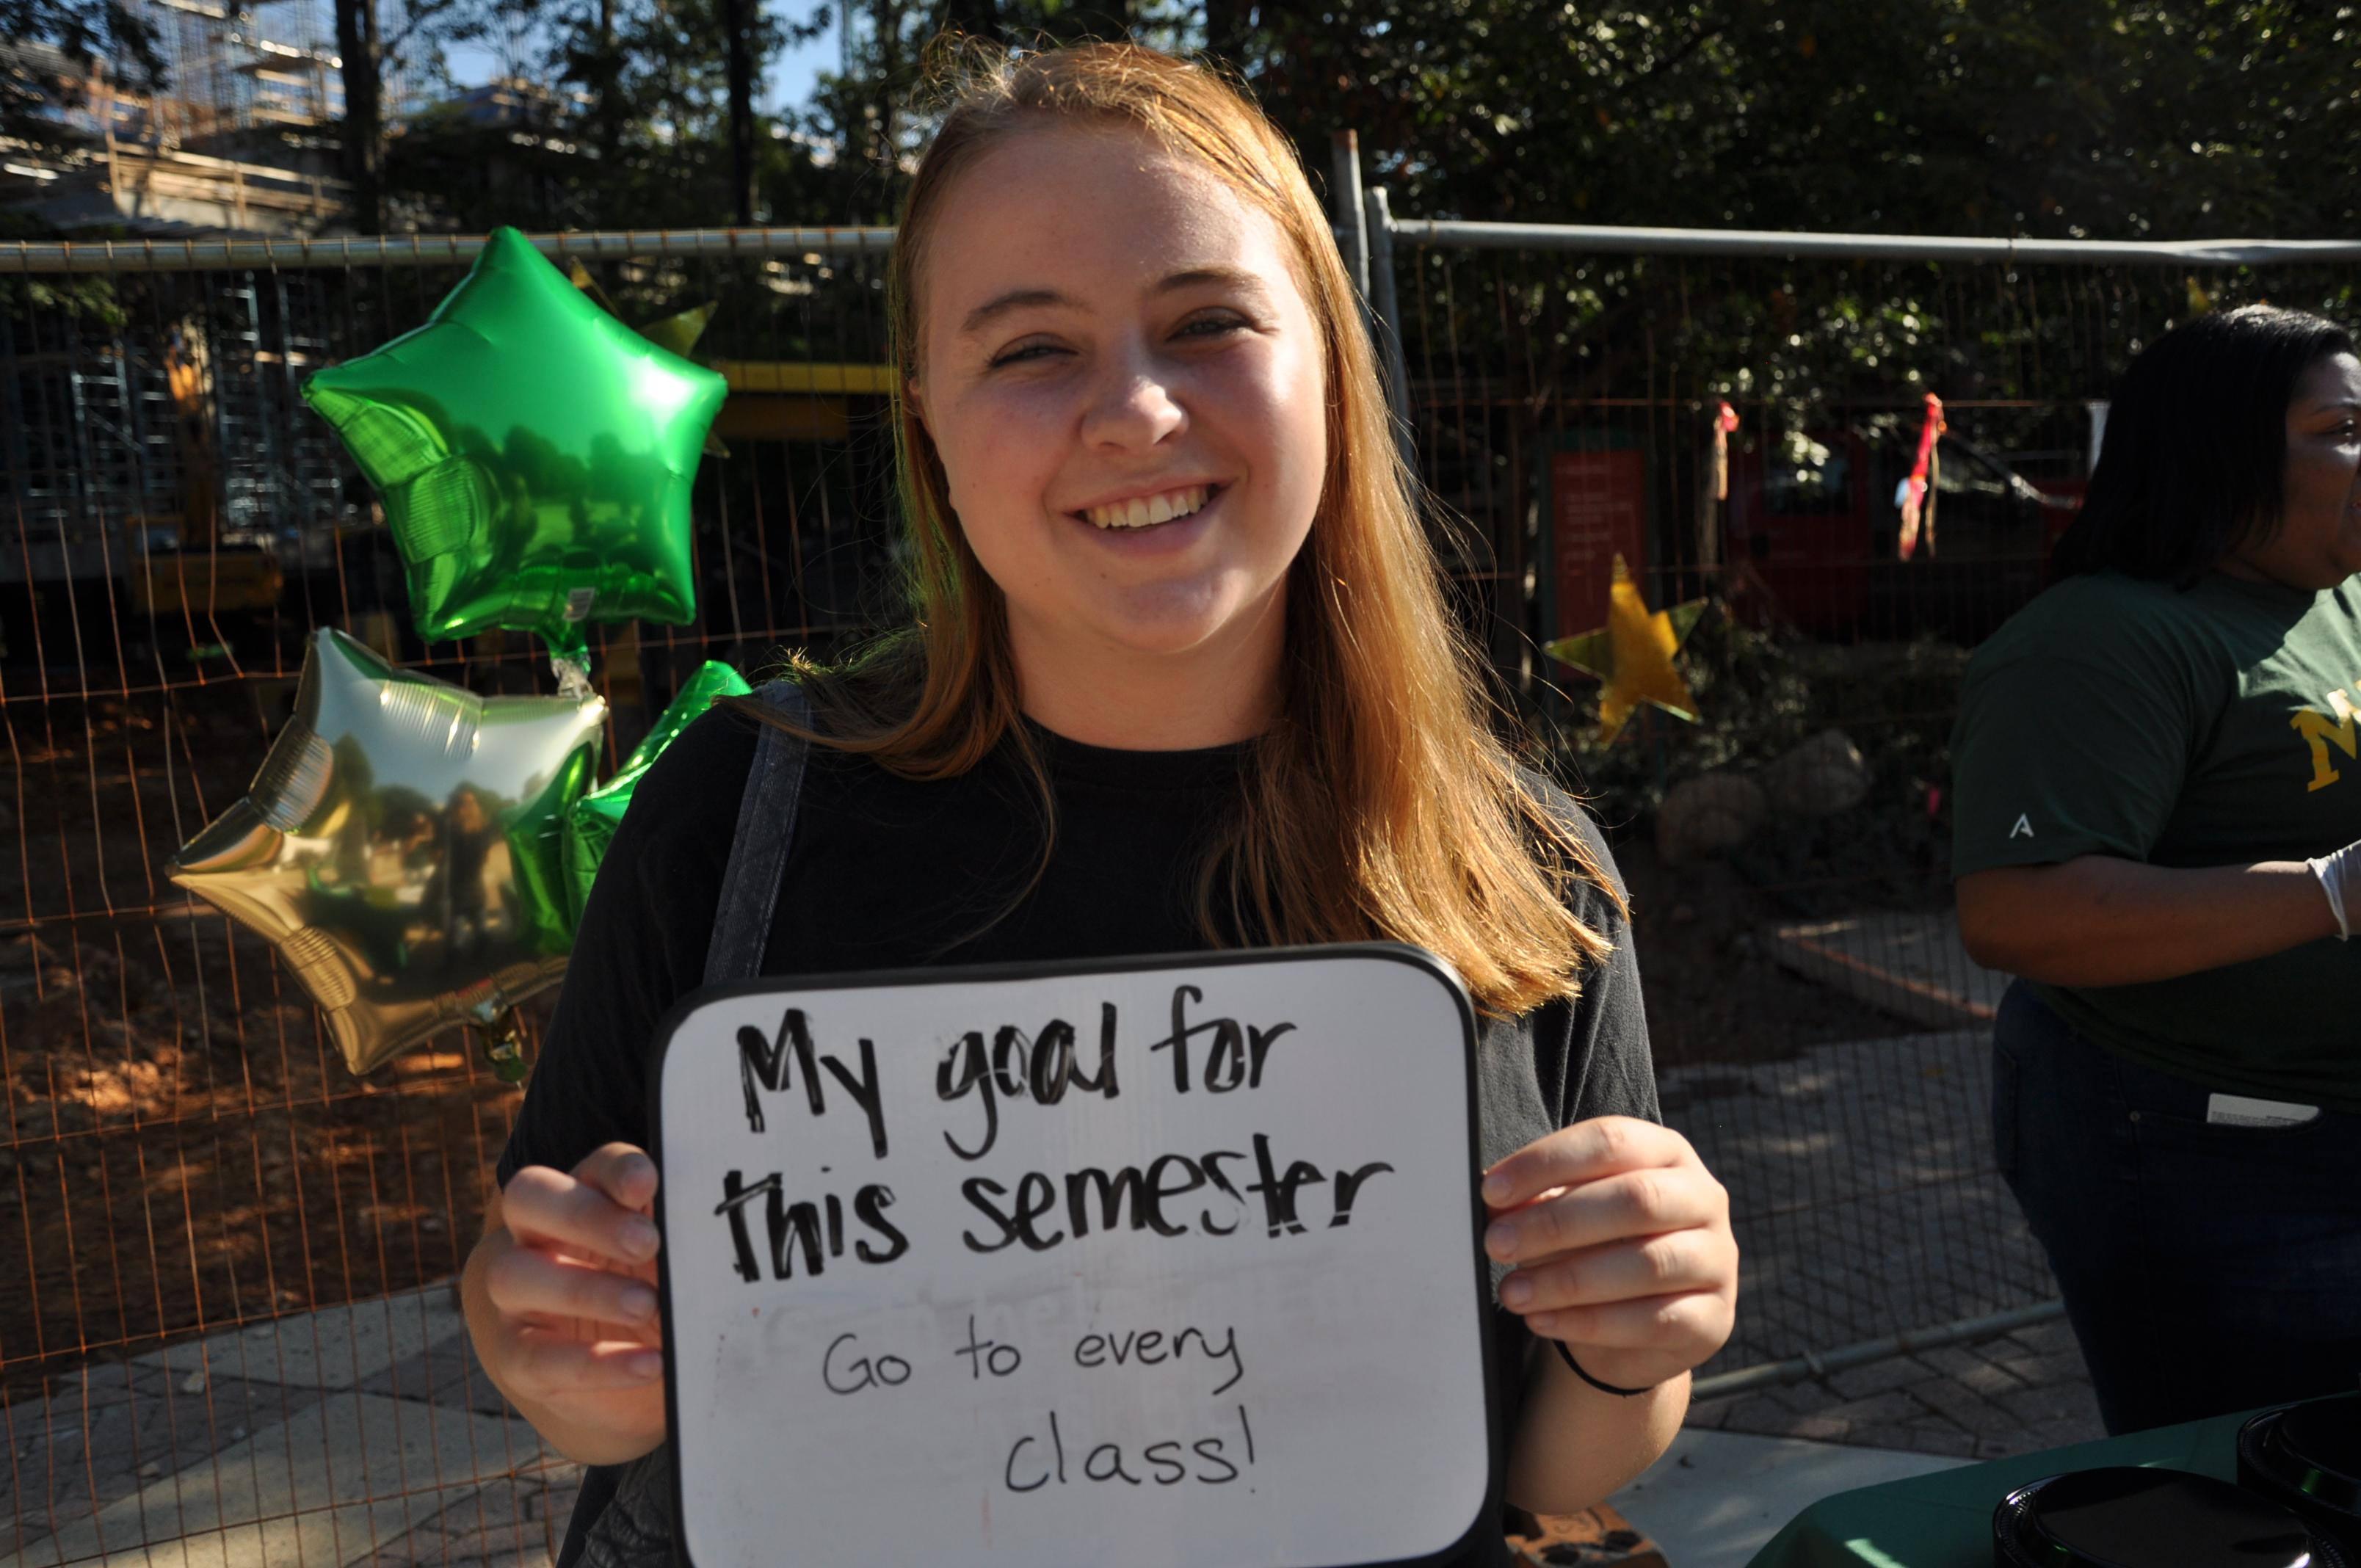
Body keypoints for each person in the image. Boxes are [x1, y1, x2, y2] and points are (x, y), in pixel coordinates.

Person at [460, 41, 1737, 1564]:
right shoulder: (741, 818)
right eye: (1029, 350)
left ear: (1328, 356)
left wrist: (1638, 1335)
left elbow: (1545, 1452)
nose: (1134, 412)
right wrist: (551, 1342)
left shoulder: (1521, 872)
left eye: (1206, 322)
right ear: (927, 412)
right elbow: (570, 1344)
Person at [1953, 304, 2361, 1434]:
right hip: (2211, 1151)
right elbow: (2018, 914)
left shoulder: (2339, 597)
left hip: (2331, 1118)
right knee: (2248, 1484)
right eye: (2343, 427)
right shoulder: (2101, 639)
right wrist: (2337, 890)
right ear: (2219, 445)